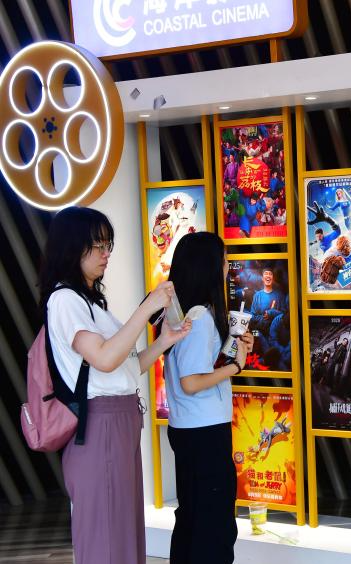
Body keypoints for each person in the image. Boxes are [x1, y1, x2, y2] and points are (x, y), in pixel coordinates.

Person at [39, 207, 191, 564]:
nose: (106, 253)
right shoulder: (65, 300)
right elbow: (105, 359)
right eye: (97, 245)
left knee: (123, 534)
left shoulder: (89, 302)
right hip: (100, 426)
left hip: (116, 422)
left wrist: (163, 341)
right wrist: (147, 307)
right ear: (72, 248)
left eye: (108, 244)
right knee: (107, 539)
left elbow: (125, 368)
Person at [160, 233, 253, 564]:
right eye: (224, 260)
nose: (227, 267)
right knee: (213, 526)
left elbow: (194, 369)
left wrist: (233, 350)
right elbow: (191, 381)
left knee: (192, 518)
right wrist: (235, 368)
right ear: (209, 266)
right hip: (204, 432)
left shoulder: (183, 312)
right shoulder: (198, 318)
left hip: (189, 429)